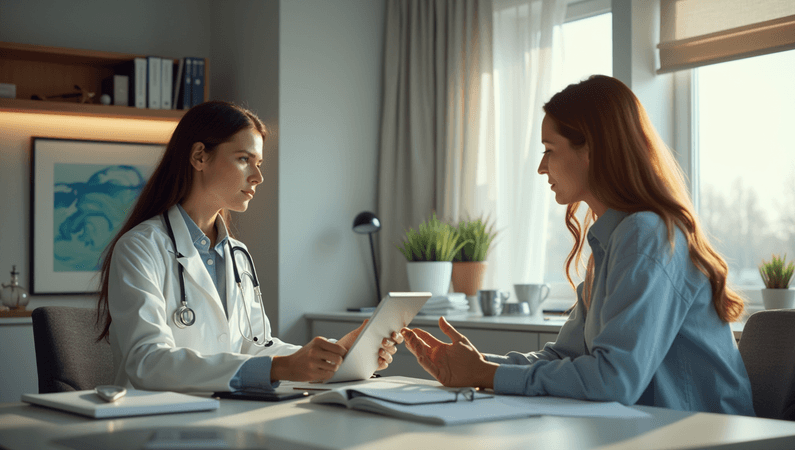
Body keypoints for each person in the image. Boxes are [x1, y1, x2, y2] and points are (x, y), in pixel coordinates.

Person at [401, 75, 755, 416]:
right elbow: (564, 357)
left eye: (549, 150)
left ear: (591, 149)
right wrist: (477, 366)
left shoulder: (646, 234)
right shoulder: (614, 240)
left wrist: (485, 376)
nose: (542, 167)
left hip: (705, 436)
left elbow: (613, 379)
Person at [96, 101, 402, 393]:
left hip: (226, 415)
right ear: (199, 156)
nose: (257, 177)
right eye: (244, 159)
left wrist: (333, 355)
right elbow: (148, 362)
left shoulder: (236, 255)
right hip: (153, 425)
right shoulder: (140, 248)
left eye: (258, 163)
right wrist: (281, 368)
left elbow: (256, 345)